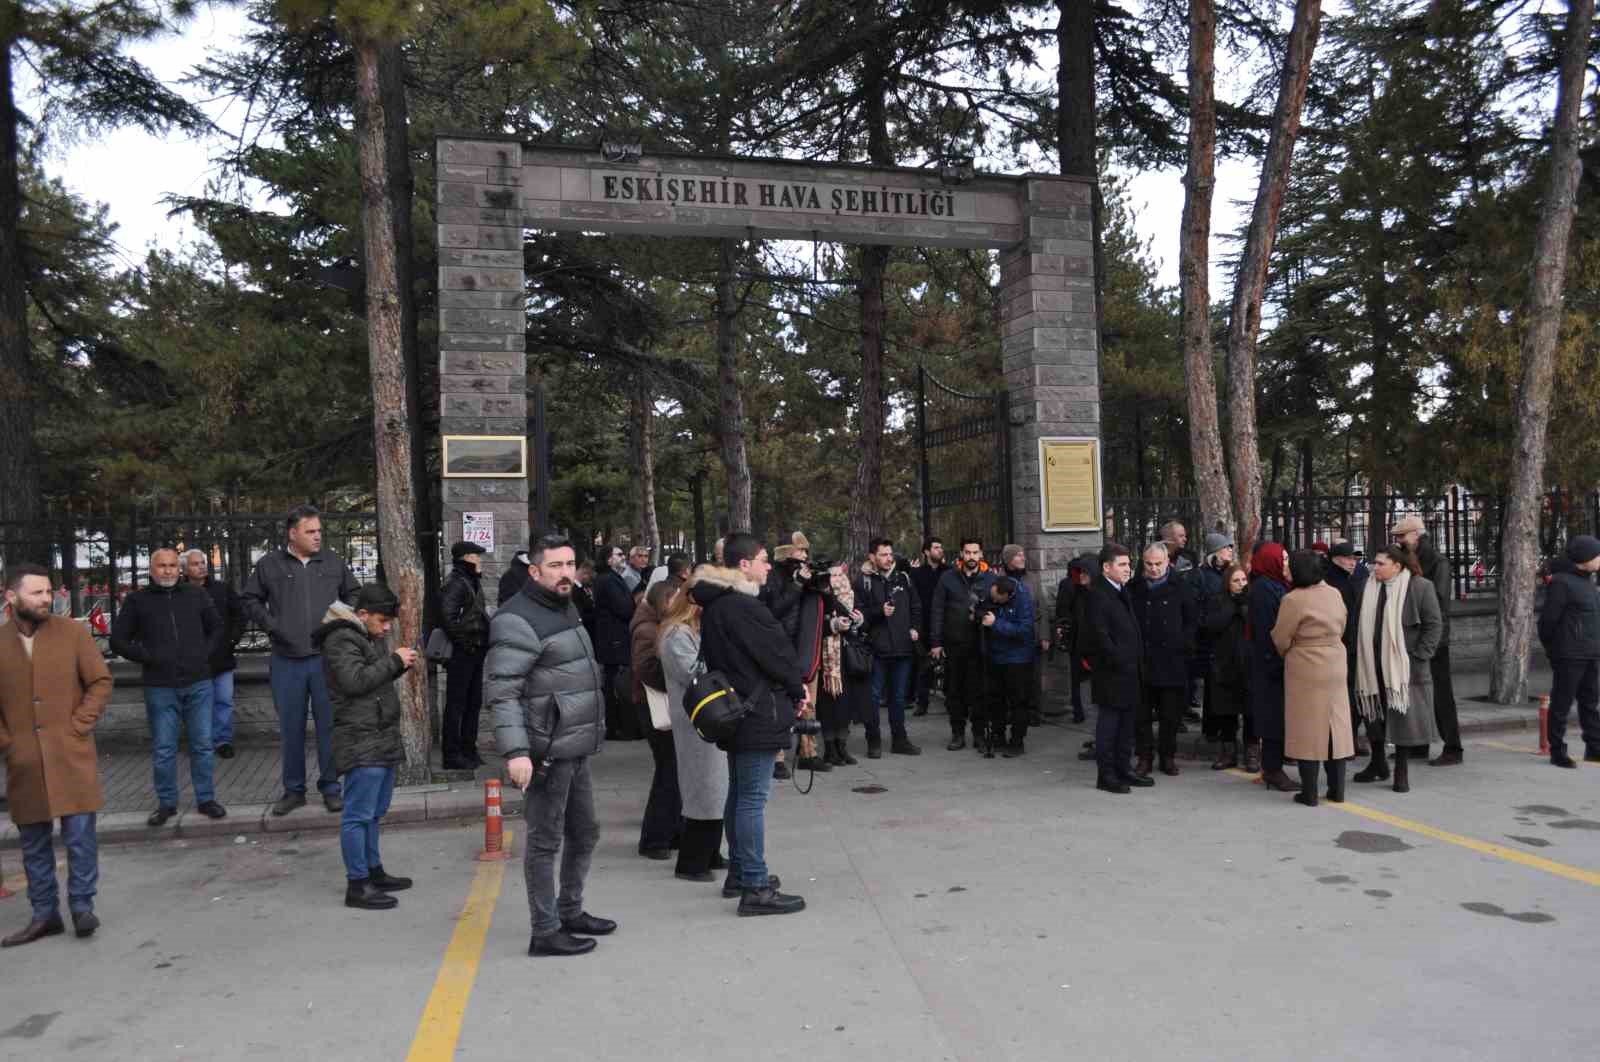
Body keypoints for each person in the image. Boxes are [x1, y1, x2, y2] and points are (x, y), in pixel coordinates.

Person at [487, 534, 615, 957]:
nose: (565, 573)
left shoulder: (566, 606)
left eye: (569, 564)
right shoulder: (516, 619)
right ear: (534, 571)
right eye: (555, 566)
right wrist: (516, 752)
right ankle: (544, 930)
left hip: (574, 745)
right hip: (545, 751)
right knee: (545, 841)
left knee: (586, 832)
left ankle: (570, 910)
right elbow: (503, 691)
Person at [691, 532, 808, 916]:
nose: (768, 565)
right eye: (762, 559)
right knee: (752, 799)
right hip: (755, 712)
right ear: (744, 565)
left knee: (740, 793)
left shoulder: (718, 605)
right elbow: (777, 653)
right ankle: (755, 885)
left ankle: (741, 873)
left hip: (736, 711)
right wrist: (797, 687)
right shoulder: (741, 607)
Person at [0, 563, 114, 946]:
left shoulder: (72, 634)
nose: (46, 599)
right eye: (36, 593)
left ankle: (82, 907)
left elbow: (99, 681)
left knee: (80, 837)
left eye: (49, 592)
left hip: (71, 754)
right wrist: (8, 743)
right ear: (11, 597)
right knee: (32, 842)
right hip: (25, 762)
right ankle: (44, 915)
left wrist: (79, 725)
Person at [243, 505, 360, 814]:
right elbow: (250, 599)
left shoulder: (333, 562)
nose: (317, 536)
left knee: (329, 728)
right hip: (287, 660)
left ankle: (331, 787)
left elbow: (354, 595)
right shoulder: (270, 564)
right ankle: (293, 791)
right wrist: (272, 626)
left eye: (319, 530)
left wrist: (339, 620)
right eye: (310, 531)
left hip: (326, 661)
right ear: (292, 534)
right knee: (291, 729)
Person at [314, 583, 418, 910]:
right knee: (358, 816)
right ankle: (357, 885)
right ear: (362, 614)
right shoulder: (341, 638)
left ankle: (374, 872)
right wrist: (394, 661)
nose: (386, 627)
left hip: (377, 735)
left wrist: (398, 664)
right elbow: (354, 682)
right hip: (361, 737)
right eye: (382, 620)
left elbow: (370, 681)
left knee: (374, 813)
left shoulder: (362, 636)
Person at [110, 548, 226, 826]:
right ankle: (166, 804)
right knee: (164, 748)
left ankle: (206, 799)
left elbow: (217, 627)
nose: (168, 571)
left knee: (202, 745)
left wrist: (203, 654)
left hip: (198, 682)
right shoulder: (138, 601)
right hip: (160, 686)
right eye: (162, 566)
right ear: (152, 570)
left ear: (180, 568)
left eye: (173, 565)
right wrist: (148, 657)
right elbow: (118, 640)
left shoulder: (196, 595)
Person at [1353, 544, 1443, 792]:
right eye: (1375, 562)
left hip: (1404, 668)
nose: (1375, 567)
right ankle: (1378, 763)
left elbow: (1434, 625)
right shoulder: (1369, 587)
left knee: (1402, 718)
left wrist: (1419, 656)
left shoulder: (1420, 587)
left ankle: (1401, 770)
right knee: (1373, 716)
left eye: (1381, 563)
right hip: (1371, 665)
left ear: (1398, 566)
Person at [658, 575, 731, 881]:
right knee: (702, 790)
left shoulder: (690, 631)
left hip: (707, 719)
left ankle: (711, 852)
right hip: (695, 721)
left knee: (716, 790)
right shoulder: (676, 634)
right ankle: (691, 862)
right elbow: (693, 674)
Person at [1271, 550, 1355, 807]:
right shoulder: (1333, 593)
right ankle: (1337, 788)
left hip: (1306, 665)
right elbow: (1343, 624)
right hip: (1335, 660)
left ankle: (1309, 792)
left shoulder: (1293, 599)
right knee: (1335, 726)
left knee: (1307, 728)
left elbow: (1281, 636)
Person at [1390, 515, 1461, 766]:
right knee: (1416, 693)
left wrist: (1430, 643)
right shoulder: (1413, 559)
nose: (1398, 541)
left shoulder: (1438, 562)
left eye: (1401, 537)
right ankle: (1417, 744)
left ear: (1416, 536)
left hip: (1433, 640)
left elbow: (1438, 605)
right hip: (1416, 638)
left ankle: (1453, 747)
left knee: (1441, 694)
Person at [1080, 543, 1150, 793]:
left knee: (1127, 725)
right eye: (1121, 564)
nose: (1127, 569)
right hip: (1112, 673)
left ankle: (1124, 769)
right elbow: (1100, 636)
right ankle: (1106, 775)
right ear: (1106, 568)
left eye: (1128, 564)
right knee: (1109, 726)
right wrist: (1119, 660)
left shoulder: (1121, 590)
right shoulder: (1099, 595)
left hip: (1130, 670)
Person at [1129, 542, 1197, 778]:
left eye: (1158, 564)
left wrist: (1184, 645)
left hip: (1172, 661)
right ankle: (1144, 757)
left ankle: (1167, 755)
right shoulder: (1134, 587)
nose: (1154, 569)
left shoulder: (1181, 586)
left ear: (1167, 562)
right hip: (1143, 661)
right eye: (1149, 564)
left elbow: (1191, 620)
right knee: (1142, 716)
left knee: (1170, 716)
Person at [1536, 535, 1600, 768]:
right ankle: (1557, 751)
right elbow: (1547, 622)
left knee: (1590, 703)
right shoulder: (1562, 583)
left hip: (1590, 653)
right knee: (1562, 704)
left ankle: (1594, 747)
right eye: (1597, 554)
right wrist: (1554, 651)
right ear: (1585, 559)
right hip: (1570, 655)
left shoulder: (1588, 582)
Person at [631, 579, 681, 858]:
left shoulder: (652, 626)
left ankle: (669, 833)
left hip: (654, 704)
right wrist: (676, 680)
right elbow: (647, 668)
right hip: (652, 706)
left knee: (671, 772)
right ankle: (655, 838)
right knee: (668, 772)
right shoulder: (648, 630)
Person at [859, 537, 923, 756]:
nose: (888, 558)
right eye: (883, 555)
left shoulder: (903, 578)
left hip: (902, 647)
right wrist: (878, 612)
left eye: (890, 554)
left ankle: (900, 740)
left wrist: (915, 628)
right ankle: (873, 740)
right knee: (873, 697)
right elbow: (857, 614)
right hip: (876, 650)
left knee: (898, 697)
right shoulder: (864, 581)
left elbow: (916, 605)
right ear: (872, 557)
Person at [930, 538, 995, 750]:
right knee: (954, 692)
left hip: (980, 644)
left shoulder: (989, 579)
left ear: (981, 554)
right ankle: (957, 733)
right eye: (967, 552)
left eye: (975, 552)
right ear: (961, 554)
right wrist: (936, 641)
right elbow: (937, 610)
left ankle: (979, 733)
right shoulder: (948, 578)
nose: (971, 557)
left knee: (979, 691)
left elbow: (997, 608)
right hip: (954, 643)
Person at [182, 549, 245, 760]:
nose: (201, 566)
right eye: (195, 564)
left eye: (203, 562)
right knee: (198, 703)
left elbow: (239, 613)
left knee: (224, 700)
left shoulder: (221, 589)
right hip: (194, 659)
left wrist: (232, 639)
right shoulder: (179, 592)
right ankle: (202, 742)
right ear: (185, 569)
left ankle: (223, 741)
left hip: (222, 656)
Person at [1247, 542, 1298, 792]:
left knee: (1277, 718)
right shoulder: (1264, 589)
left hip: (1274, 663)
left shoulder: (1275, 585)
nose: (1286, 563)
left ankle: (1273, 767)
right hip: (1270, 665)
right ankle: (1273, 770)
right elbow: (1269, 632)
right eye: (1283, 558)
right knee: (1273, 719)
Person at [440, 541, 490, 770]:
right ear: (466, 558)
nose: (480, 560)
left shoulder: (470, 581)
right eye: (477, 556)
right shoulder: (457, 583)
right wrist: (465, 644)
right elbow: (448, 617)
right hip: (464, 653)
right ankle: (452, 754)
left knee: (473, 703)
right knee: (457, 704)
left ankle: (468, 749)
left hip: (474, 651)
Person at [1201, 563, 1254, 770]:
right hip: (1225, 664)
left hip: (1248, 664)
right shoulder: (1218, 601)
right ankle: (1228, 752)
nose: (1241, 584)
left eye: (1243, 580)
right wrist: (1233, 607)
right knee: (1227, 712)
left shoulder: (1252, 600)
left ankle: (1252, 752)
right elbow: (1210, 625)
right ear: (1227, 584)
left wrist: (1244, 607)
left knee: (1251, 712)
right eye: (1236, 581)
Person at [818, 563, 869, 766]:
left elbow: (867, 621)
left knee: (845, 704)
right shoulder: (821, 597)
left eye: (840, 574)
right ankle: (829, 749)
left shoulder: (853, 595)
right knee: (827, 704)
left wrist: (859, 621)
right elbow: (815, 625)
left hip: (848, 658)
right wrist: (833, 625)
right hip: (827, 660)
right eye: (833, 575)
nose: (838, 578)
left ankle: (842, 746)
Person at [1325, 541, 1371, 755]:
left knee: (1353, 694)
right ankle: (1340, 740)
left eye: (1355, 558)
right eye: (1349, 558)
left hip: (1353, 645)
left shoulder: (1355, 577)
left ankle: (1349, 737)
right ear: (1336, 559)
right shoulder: (1329, 581)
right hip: (1337, 646)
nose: (1354, 562)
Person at [984, 572, 1036, 756]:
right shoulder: (995, 590)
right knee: (996, 700)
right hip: (996, 656)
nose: (995, 602)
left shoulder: (1022, 599)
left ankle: (1017, 741)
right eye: (993, 598)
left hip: (1018, 659)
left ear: (1007, 595)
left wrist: (996, 623)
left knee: (1018, 702)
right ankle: (998, 736)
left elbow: (1024, 630)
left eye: (998, 600)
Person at [592, 543, 638, 741]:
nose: (623, 557)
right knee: (616, 685)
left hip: (614, 639)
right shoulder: (609, 580)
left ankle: (618, 725)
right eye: (619, 554)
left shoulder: (610, 579)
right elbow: (623, 608)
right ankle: (617, 726)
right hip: (614, 640)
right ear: (609, 559)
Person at [1194, 532, 1235, 741]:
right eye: (1226, 547)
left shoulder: (1231, 572)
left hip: (1227, 637)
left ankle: (1220, 728)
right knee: (1212, 686)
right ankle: (1211, 729)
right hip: (1210, 639)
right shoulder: (1202, 576)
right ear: (1215, 552)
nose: (1230, 551)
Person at [1053, 553, 1097, 723]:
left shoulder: (1071, 584)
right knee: (1081, 678)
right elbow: (1064, 612)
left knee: (1078, 678)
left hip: (1078, 636)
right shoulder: (1075, 585)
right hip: (1078, 636)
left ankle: (1079, 711)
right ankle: (1080, 710)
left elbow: (1062, 611)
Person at [910, 537, 945, 716]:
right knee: (923, 666)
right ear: (926, 552)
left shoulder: (948, 572)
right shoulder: (916, 574)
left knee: (948, 666)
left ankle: (951, 700)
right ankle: (922, 702)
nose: (940, 550)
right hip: (923, 625)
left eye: (941, 547)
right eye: (936, 547)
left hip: (944, 624)